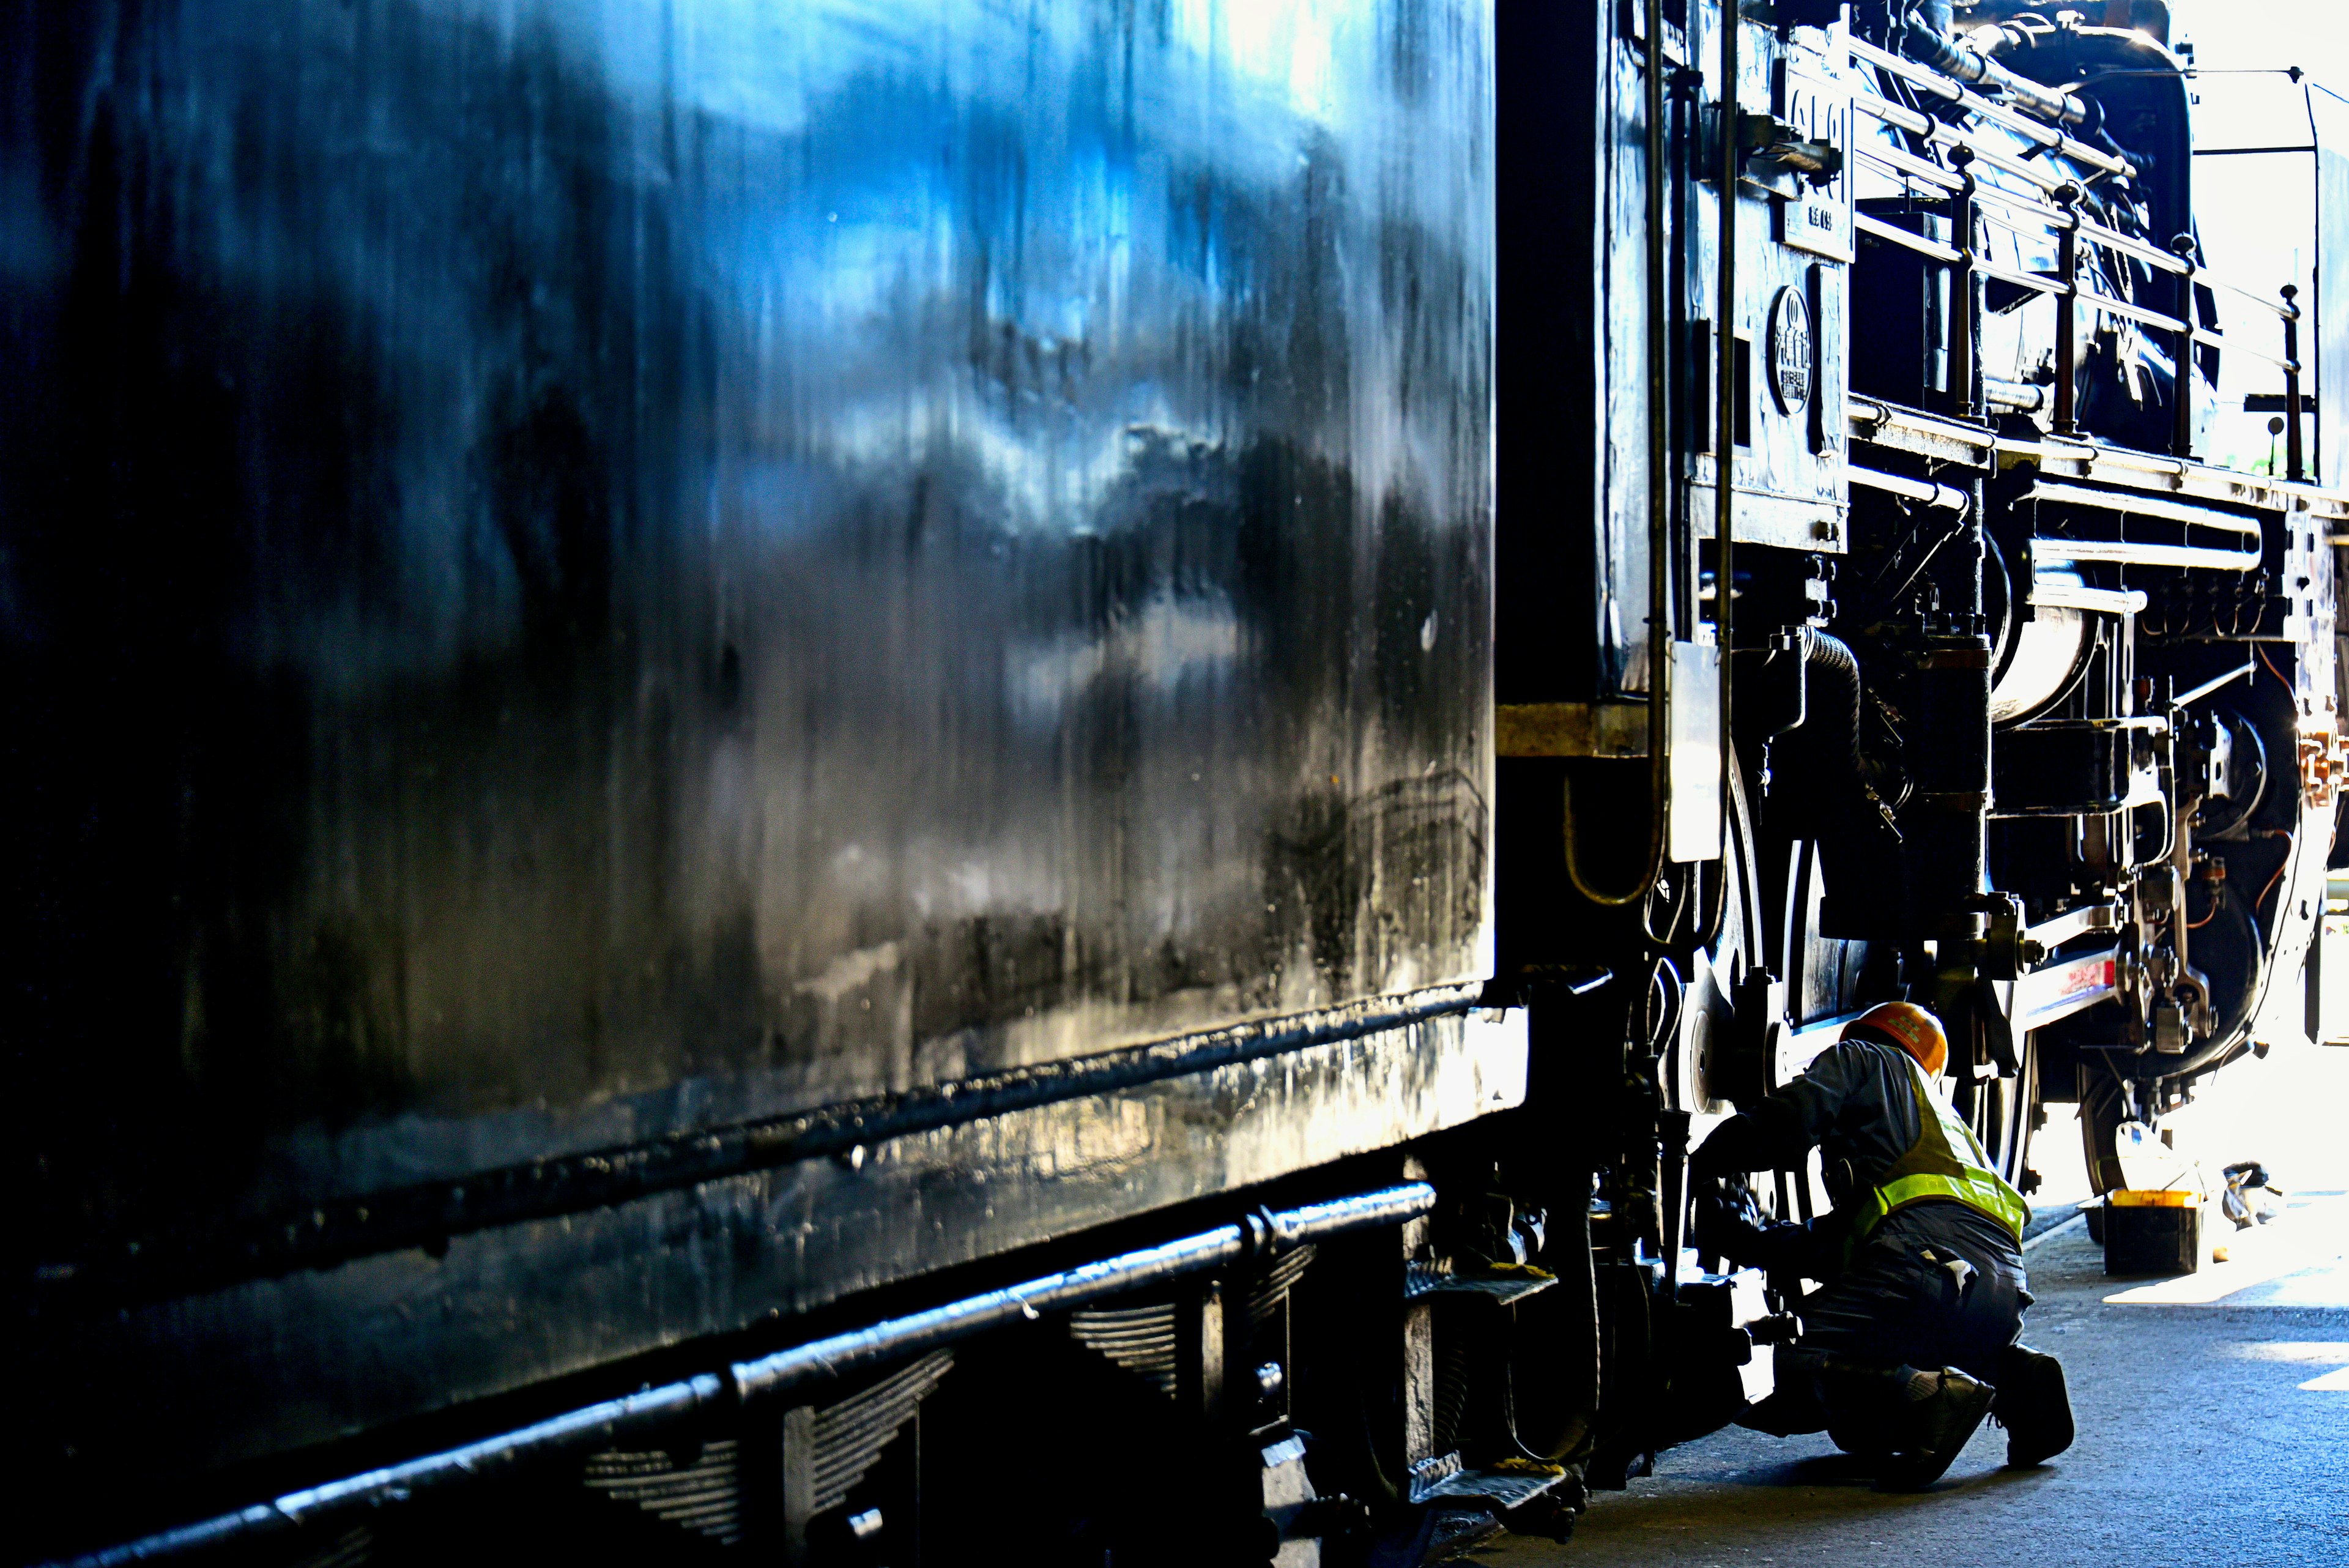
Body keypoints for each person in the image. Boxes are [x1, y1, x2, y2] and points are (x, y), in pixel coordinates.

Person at [1688, 1000, 2076, 1488]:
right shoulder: (1946, 1128)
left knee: (1751, 1360)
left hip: (1921, 1269)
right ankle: (2015, 1376)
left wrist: (1698, 1161)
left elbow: (1788, 1123)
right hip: (2001, 1294)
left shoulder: (1863, 1059)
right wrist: (1749, 1240)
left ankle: (1923, 1391)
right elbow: (1842, 1245)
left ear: (1864, 1034)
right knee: (1859, 1430)